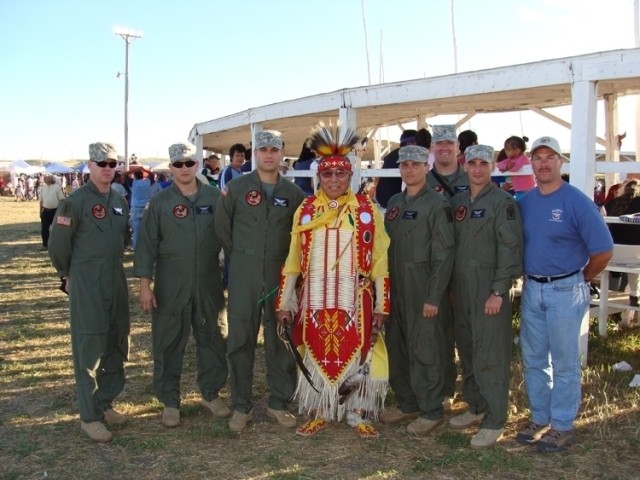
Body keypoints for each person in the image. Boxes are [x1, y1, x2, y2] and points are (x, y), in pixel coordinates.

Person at [275, 124, 391, 439]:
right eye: (328, 175)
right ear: (319, 178)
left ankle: (357, 411)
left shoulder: (366, 211)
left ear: (350, 176)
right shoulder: (307, 210)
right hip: (315, 297)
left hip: (355, 297)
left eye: (341, 175)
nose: (335, 180)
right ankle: (320, 409)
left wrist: (382, 305)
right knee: (316, 351)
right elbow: (293, 259)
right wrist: (285, 303)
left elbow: (380, 260)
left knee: (359, 351)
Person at [516, 136, 613, 452]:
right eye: (537, 157)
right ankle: (539, 416)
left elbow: (603, 250)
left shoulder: (576, 201)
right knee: (532, 359)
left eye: (550, 157)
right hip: (532, 288)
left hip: (565, 289)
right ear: (531, 163)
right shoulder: (526, 202)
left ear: (560, 162)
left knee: (564, 361)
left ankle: (561, 424)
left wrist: (580, 279)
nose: (543, 163)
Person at [134, 142, 230, 428]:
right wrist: (144, 286)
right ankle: (170, 401)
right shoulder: (161, 202)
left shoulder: (216, 198)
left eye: (189, 163)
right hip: (170, 283)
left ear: (197, 164)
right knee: (167, 341)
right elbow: (146, 245)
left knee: (214, 336)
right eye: (179, 165)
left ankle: (211, 394)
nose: (185, 169)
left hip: (208, 281)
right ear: (171, 168)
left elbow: (230, 237)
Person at [215, 130, 305, 432]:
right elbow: (223, 228)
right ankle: (242, 406)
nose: (269, 154)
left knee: (281, 339)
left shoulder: (293, 194)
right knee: (240, 339)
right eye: (263, 149)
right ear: (256, 154)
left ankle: (279, 402)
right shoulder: (237, 188)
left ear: (282, 154)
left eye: (274, 149)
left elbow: (300, 237)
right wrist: (240, 257)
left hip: (280, 274)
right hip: (243, 271)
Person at [48, 142, 130, 443]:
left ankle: (105, 402)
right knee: (89, 345)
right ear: (89, 166)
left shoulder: (118, 198)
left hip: (115, 276)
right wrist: (66, 273)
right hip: (87, 278)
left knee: (116, 339)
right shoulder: (75, 202)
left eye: (111, 163)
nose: (107, 168)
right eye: (100, 164)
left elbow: (123, 237)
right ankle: (89, 416)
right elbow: (58, 243)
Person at [449, 144, 523, 448]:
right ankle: (476, 406)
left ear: (492, 166)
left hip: (488, 287)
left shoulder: (503, 202)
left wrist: (498, 290)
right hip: (462, 288)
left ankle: (495, 419)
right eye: (473, 163)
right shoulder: (458, 201)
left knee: (490, 354)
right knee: (467, 349)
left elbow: (510, 248)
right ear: (464, 165)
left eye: (484, 163)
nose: (478, 169)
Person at [382, 145, 455, 435]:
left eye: (415, 164)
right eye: (405, 165)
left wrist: (433, 296)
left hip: (422, 284)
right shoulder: (396, 202)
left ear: (427, 166)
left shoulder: (438, 205)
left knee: (426, 347)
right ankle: (407, 401)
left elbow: (444, 254)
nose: (409, 169)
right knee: (397, 344)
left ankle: (431, 408)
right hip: (395, 284)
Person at [426, 124, 469, 409]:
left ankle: (471, 392)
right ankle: (442, 388)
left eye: (449, 143)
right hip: (435, 267)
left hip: (468, 266)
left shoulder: (475, 176)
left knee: (468, 330)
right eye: (438, 143)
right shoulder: (421, 180)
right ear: (432, 149)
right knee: (437, 331)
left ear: (458, 149)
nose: (444, 148)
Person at [604, 179, 640, 327]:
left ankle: (619, 295)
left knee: (628, 262)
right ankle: (635, 295)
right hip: (635, 256)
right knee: (635, 262)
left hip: (611, 256)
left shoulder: (612, 204)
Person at [374, 129, 418, 210]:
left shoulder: (393, 154)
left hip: (382, 197)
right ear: (410, 143)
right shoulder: (406, 155)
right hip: (393, 200)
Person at [129, 168, 160, 250]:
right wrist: (145, 170)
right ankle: (147, 246)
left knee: (136, 230)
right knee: (146, 229)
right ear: (142, 175)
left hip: (135, 208)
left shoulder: (133, 183)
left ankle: (136, 247)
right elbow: (152, 175)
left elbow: (124, 175)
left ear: (134, 176)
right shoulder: (147, 182)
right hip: (146, 208)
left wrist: (132, 170)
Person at [497, 135, 536, 200]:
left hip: (528, 189)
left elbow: (515, 168)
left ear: (519, 150)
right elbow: (499, 165)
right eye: (507, 150)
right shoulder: (510, 160)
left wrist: (506, 169)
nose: (508, 152)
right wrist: (506, 166)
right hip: (518, 190)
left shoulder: (523, 158)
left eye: (511, 149)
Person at [39, 174, 65, 250]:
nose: (44, 179)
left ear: (51, 179)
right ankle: (45, 245)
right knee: (44, 229)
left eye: (46, 178)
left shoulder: (57, 187)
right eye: (44, 178)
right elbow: (41, 200)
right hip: (45, 211)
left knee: (56, 229)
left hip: (55, 211)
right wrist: (40, 211)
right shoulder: (43, 188)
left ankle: (57, 244)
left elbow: (62, 199)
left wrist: (61, 211)